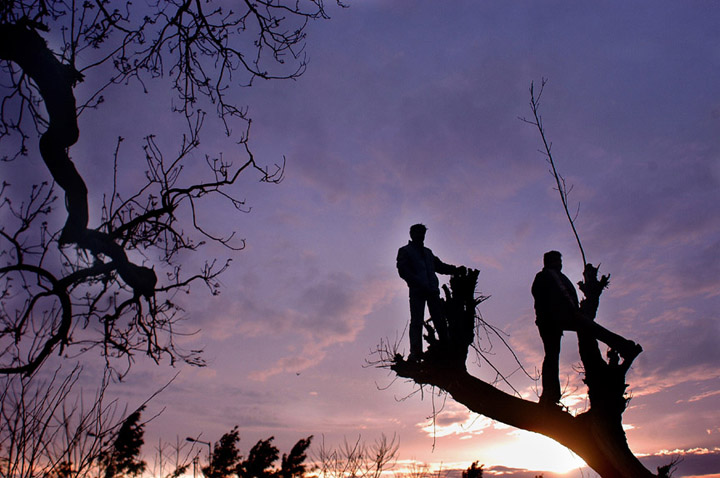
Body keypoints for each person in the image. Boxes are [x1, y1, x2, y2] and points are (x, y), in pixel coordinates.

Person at [532, 250, 641, 406]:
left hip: (557, 318)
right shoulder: (545, 276)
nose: (559, 264)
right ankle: (550, 395)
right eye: (556, 261)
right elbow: (547, 298)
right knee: (555, 353)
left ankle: (550, 395)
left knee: (554, 354)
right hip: (554, 319)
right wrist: (566, 313)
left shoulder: (556, 276)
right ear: (548, 262)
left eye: (560, 261)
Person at [397, 224, 462, 362]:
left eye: (422, 233)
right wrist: (417, 283)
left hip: (432, 291)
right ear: (411, 234)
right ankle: (415, 352)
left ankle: (446, 347)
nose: (420, 236)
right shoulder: (405, 251)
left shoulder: (428, 253)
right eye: (417, 233)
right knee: (417, 321)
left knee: (439, 320)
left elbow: (440, 266)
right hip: (417, 291)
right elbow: (403, 271)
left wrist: (455, 270)